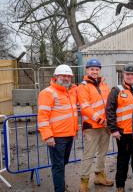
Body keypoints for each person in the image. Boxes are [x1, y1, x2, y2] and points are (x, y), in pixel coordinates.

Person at [37, 64, 78, 192]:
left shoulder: (70, 92)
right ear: (56, 76)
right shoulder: (47, 93)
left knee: (63, 163)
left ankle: (61, 185)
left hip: (69, 135)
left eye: (68, 76)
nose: (66, 78)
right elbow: (43, 117)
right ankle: (59, 189)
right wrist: (48, 136)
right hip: (56, 137)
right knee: (58, 166)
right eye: (63, 76)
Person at [105, 63, 133, 192]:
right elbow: (109, 111)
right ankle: (120, 186)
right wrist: (113, 129)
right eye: (128, 74)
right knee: (123, 160)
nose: (130, 76)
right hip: (123, 133)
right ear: (123, 75)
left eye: (132, 74)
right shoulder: (116, 90)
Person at [78, 58, 114, 192]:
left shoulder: (104, 85)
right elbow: (85, 108)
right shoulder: (83, 86)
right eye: (92, 69)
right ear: (87, 70)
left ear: (100, 71)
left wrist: (110, 121)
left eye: (97, 69)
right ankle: (84, 182)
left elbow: (110, 104)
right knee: (89, 154)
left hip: (105, 126)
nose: (94, 71)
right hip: (92, 127)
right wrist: (100, 120)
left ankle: (99, 176)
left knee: (102, 153)